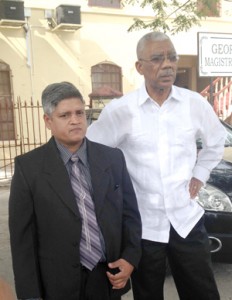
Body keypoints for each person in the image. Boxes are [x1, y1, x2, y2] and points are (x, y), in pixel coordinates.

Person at [86, 32, 227, 300]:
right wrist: (115, 197)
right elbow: (93, 152)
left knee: (203, 293)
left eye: (172, 57)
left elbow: (216, 140)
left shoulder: (193, 103)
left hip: (186, 220)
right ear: (140, 67)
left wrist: (200, 173)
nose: (168, 64)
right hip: (144, 226)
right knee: (148, 295)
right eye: (157, 58)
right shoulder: (121, 111)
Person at [9, 81, 142, 300]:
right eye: (65, 115)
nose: (75, 120)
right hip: (56, 285)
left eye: (80, 113)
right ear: (48, 121)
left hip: (106, 278)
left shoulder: (112, 158)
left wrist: (130, 258)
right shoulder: (29, 168)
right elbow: (23, 243)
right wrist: (30, 296)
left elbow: (130, 215)